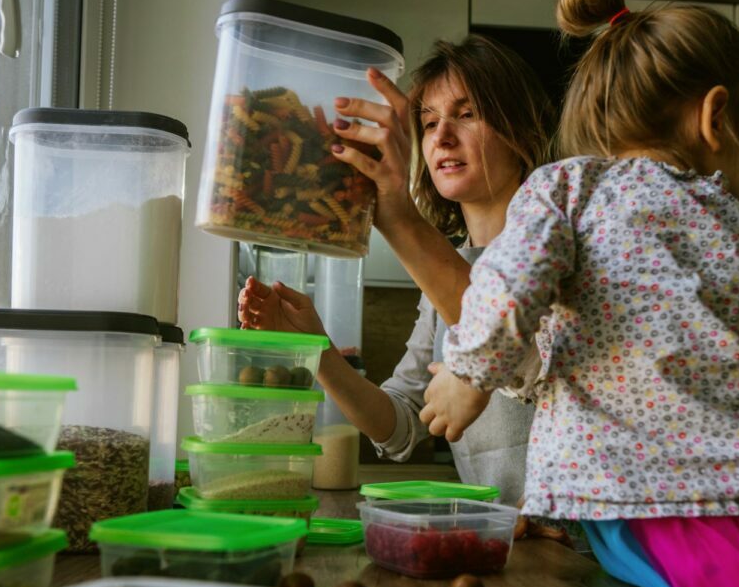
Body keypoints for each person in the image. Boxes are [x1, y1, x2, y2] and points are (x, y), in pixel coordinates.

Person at [419, 0, 739, 587]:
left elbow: (514, 284)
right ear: (716, 118)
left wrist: (469, 373)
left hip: (653, 504)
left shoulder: (569, 188)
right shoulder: (737, 224)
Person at [238, 35, 559, 517]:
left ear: (525, 131)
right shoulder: (439, 280)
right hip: (502, 536)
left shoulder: (558, 253)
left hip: (575, 538)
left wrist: (396, 215)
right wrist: (318, 352)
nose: (442, 137)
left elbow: (513, 348)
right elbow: (401, 425)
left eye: (467, 114)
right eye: (429, 123)